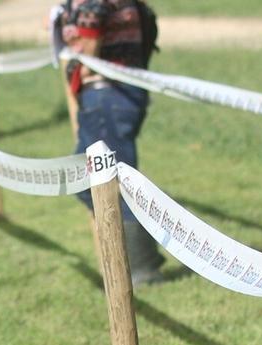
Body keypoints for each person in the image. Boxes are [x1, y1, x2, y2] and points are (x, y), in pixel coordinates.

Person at [59, 0, 165, 287]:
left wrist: (86, 64)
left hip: (109, 94)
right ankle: (145, 253)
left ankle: (143, 267)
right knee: (86, 179)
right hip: (112, 93)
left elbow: (92, 21)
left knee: (116, 184)